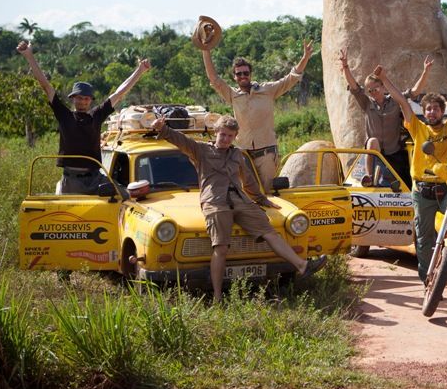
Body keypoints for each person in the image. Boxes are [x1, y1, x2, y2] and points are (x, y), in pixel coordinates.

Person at [153, 115, 326, 303]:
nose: (226, 139)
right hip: (215, 202)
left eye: (230, 136)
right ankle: (218, 297)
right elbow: (180, 140)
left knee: (270, 232)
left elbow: (249, 180)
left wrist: (262, 199)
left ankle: (302, 265)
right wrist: (163, 128)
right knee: (221, 248)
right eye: (223, 135)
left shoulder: (237, 154)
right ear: (216, 133)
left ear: (235, 136)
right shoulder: (200, 150)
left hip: (240, 200)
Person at [375, 54, 447, 282]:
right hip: (422, 191)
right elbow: (401, 100)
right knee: (423, 238)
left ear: (442, 111)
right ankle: (428, 278)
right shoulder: (417, 128)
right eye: (428, 109)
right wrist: (385, 79)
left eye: (436, 109)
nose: (431, 113)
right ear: (424, 113)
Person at [17, 40, 151, 194]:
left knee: (125, 198)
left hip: (95, 178)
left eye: (86, 98)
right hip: (71, 180)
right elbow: (46, 86)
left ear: (90, 100)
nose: (82, 101)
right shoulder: (64, 115)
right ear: (73, 98)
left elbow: (119, 94)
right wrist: (29, 56)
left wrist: (140, 70)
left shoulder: (97, 115)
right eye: (79, 98)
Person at [202, 40, 313, 187]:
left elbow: (291, 78)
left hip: (266, 154)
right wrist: (205, 50)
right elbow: (214, 79)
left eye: (245, 73)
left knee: (267, 192)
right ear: (234, 77)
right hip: (243, 154)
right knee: (246, 193)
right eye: (239, 73)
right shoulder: (232, 95)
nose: (243, 76)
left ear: (250, 74)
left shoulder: (267, 90)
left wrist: (305, 57)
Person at [338, 49, 434, 188]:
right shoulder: (367, 103)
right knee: (372, 141)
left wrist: (425, 71)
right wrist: (345, 66)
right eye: (369, 90)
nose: (372, 93)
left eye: (375, 89)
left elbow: (414, 92)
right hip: (375, 154)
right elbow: (355, 87)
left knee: (404, 186)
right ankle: (369, 177)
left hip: (393, 153)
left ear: (383, 87)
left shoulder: (395, 100)